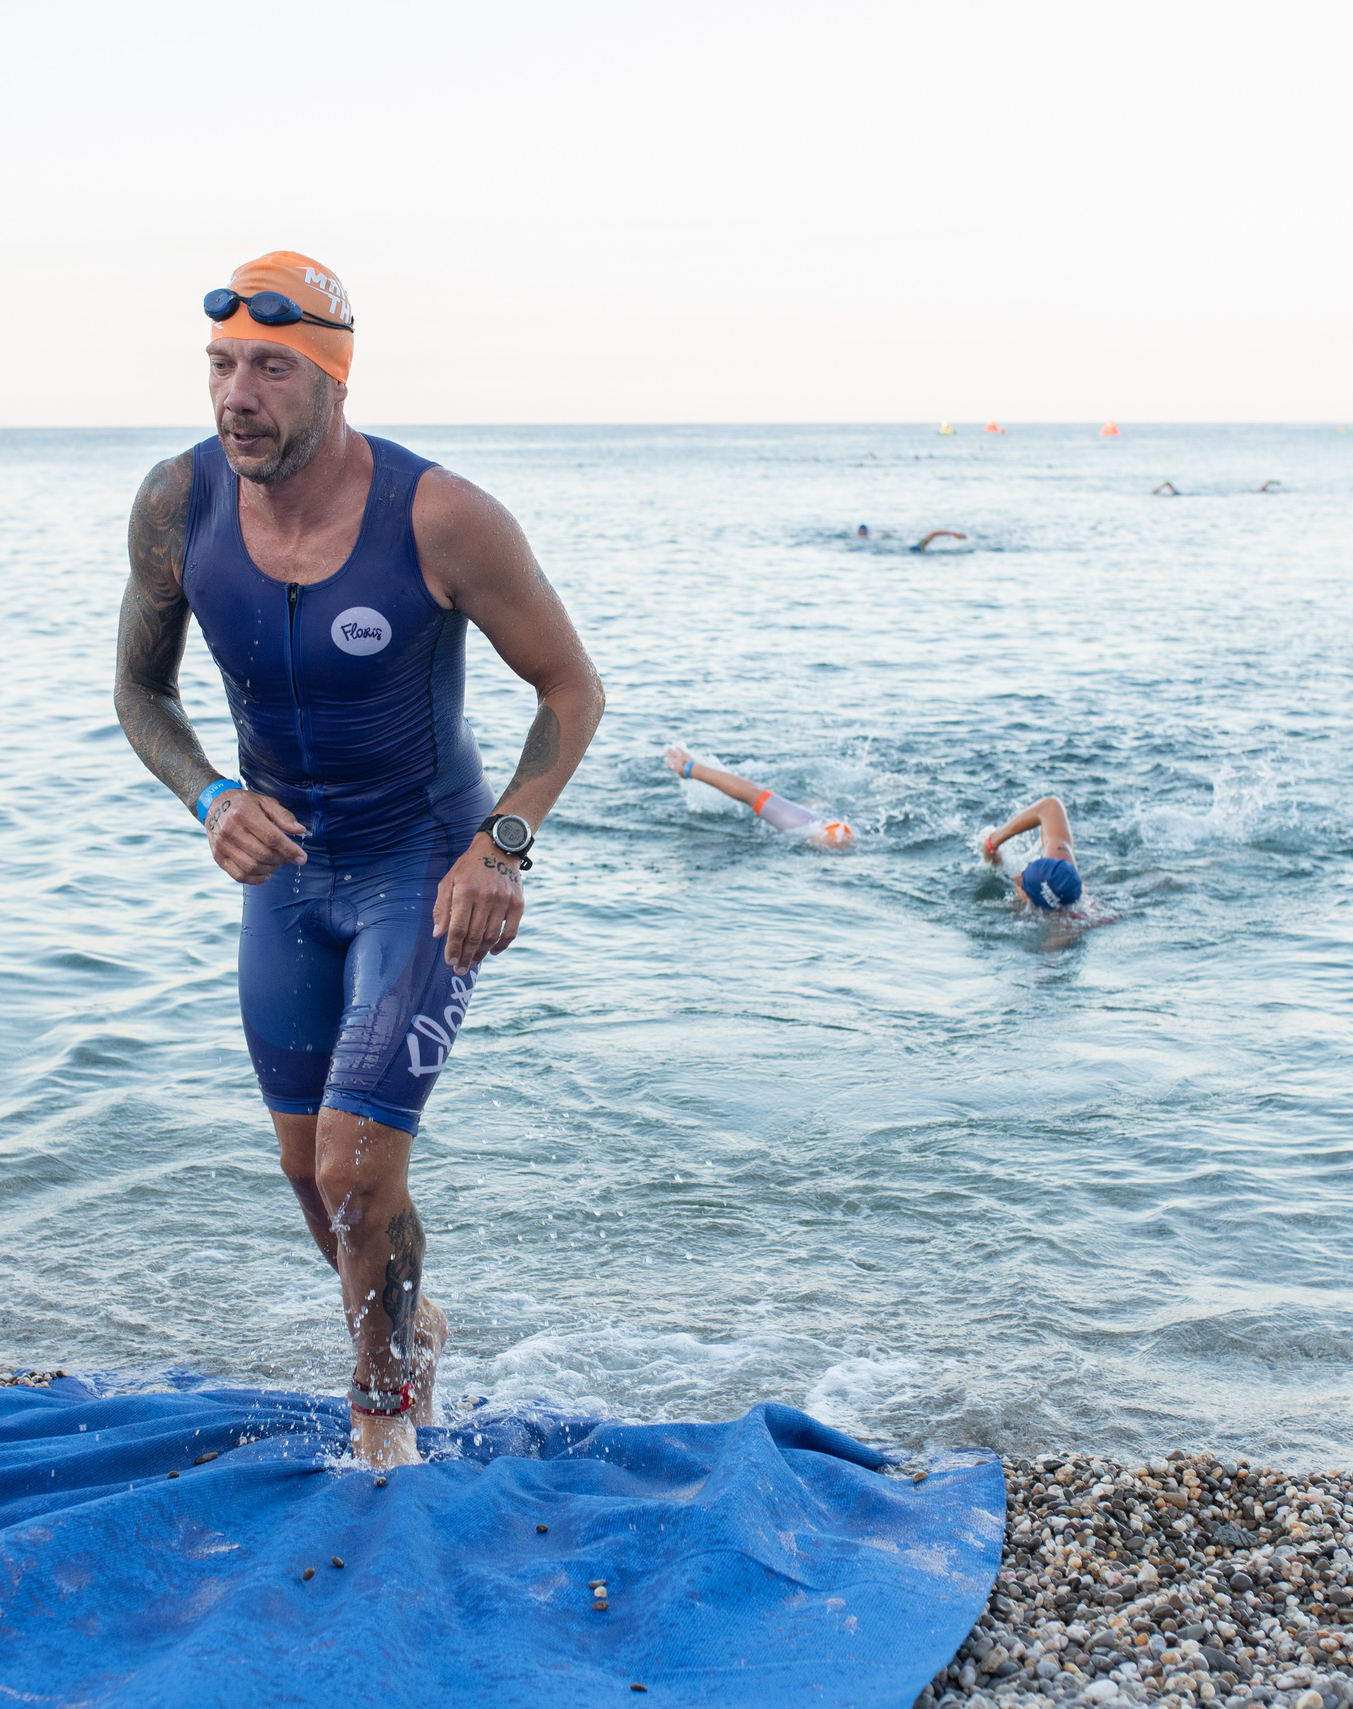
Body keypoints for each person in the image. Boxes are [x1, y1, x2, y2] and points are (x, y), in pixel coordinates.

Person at [114, 252, 604, 1469]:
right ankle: (411, 1322)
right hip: (287, 876)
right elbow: (139, 690)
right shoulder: (177, 504)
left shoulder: (441, 517)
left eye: (271, 370)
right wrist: (209, 795)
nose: (238, 396)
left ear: (335, 378)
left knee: (354, 1160)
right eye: (221, 366)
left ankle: (384, 1407)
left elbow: (571, 689)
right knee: (310, 1173)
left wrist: (503, 844)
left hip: (422, 866)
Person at [663, 746, 855, 849]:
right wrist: (690, 768)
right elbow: (751, 793)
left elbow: (752, 794)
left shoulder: (820, 833)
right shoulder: (823, 832)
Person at [979, 791, 1086, 913]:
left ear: (1034, 902)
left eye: (1023, 884)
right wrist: (992, 842)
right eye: (1024, 872)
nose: (1015, 878)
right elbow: (1050, 806)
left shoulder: (1057, 923)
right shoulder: (1061, 861)